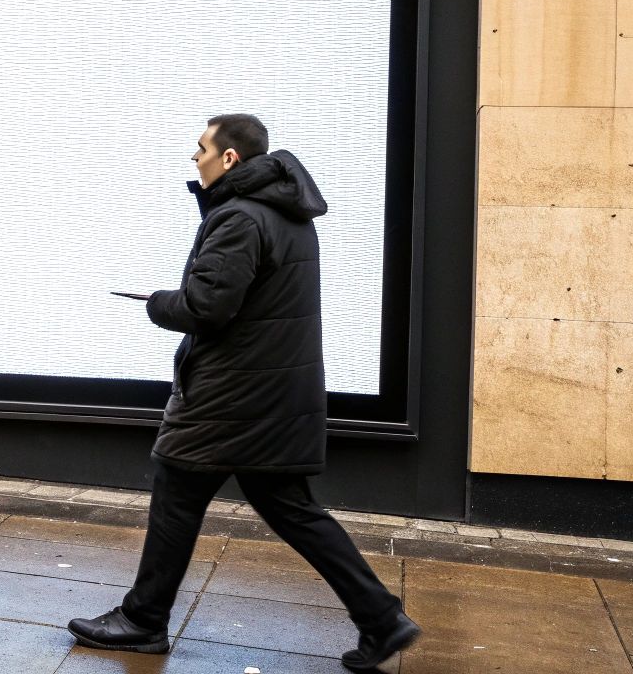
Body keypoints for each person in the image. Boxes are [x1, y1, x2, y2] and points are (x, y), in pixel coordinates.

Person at [68, 114, 419, 671]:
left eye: (201, 149)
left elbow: (207, 307)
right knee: (292, 509)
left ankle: (142, 620)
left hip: (231, 396)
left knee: (177, 488)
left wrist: (160, 301)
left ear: (229, 159)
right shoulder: (288, 216)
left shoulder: (240, 217)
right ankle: (381, 617)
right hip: (274, 395)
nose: (194, 158)